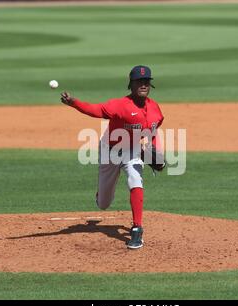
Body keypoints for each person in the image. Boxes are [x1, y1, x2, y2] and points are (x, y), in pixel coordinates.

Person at [60, 65, 164, 249]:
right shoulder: (119, 105)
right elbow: (95, 110)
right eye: (139, 81)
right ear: (130, 85)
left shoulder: (156, 110)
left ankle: (137, 228)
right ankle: (101, 194)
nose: (143, 84)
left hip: (132, 151)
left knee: (135, 179)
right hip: (111, 150)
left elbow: (152, 133)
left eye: (146, 81)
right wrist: (74, 102)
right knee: (104, 203)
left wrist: (153, 151)